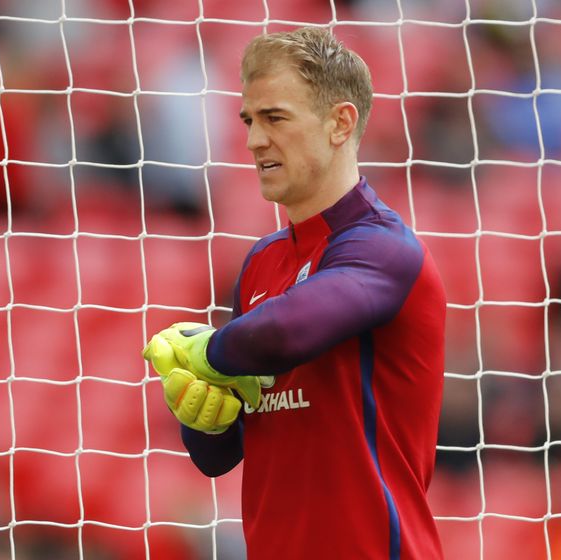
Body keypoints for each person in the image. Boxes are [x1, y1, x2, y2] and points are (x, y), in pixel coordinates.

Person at [143, 27, 446, 559]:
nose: (255, 139)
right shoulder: (262, 262)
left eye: (275, 118)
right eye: (249, 120)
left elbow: (284, 331)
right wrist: (201, 416)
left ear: (340, 122)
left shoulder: (384, 249)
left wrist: (206, 351)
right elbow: (219, 456)